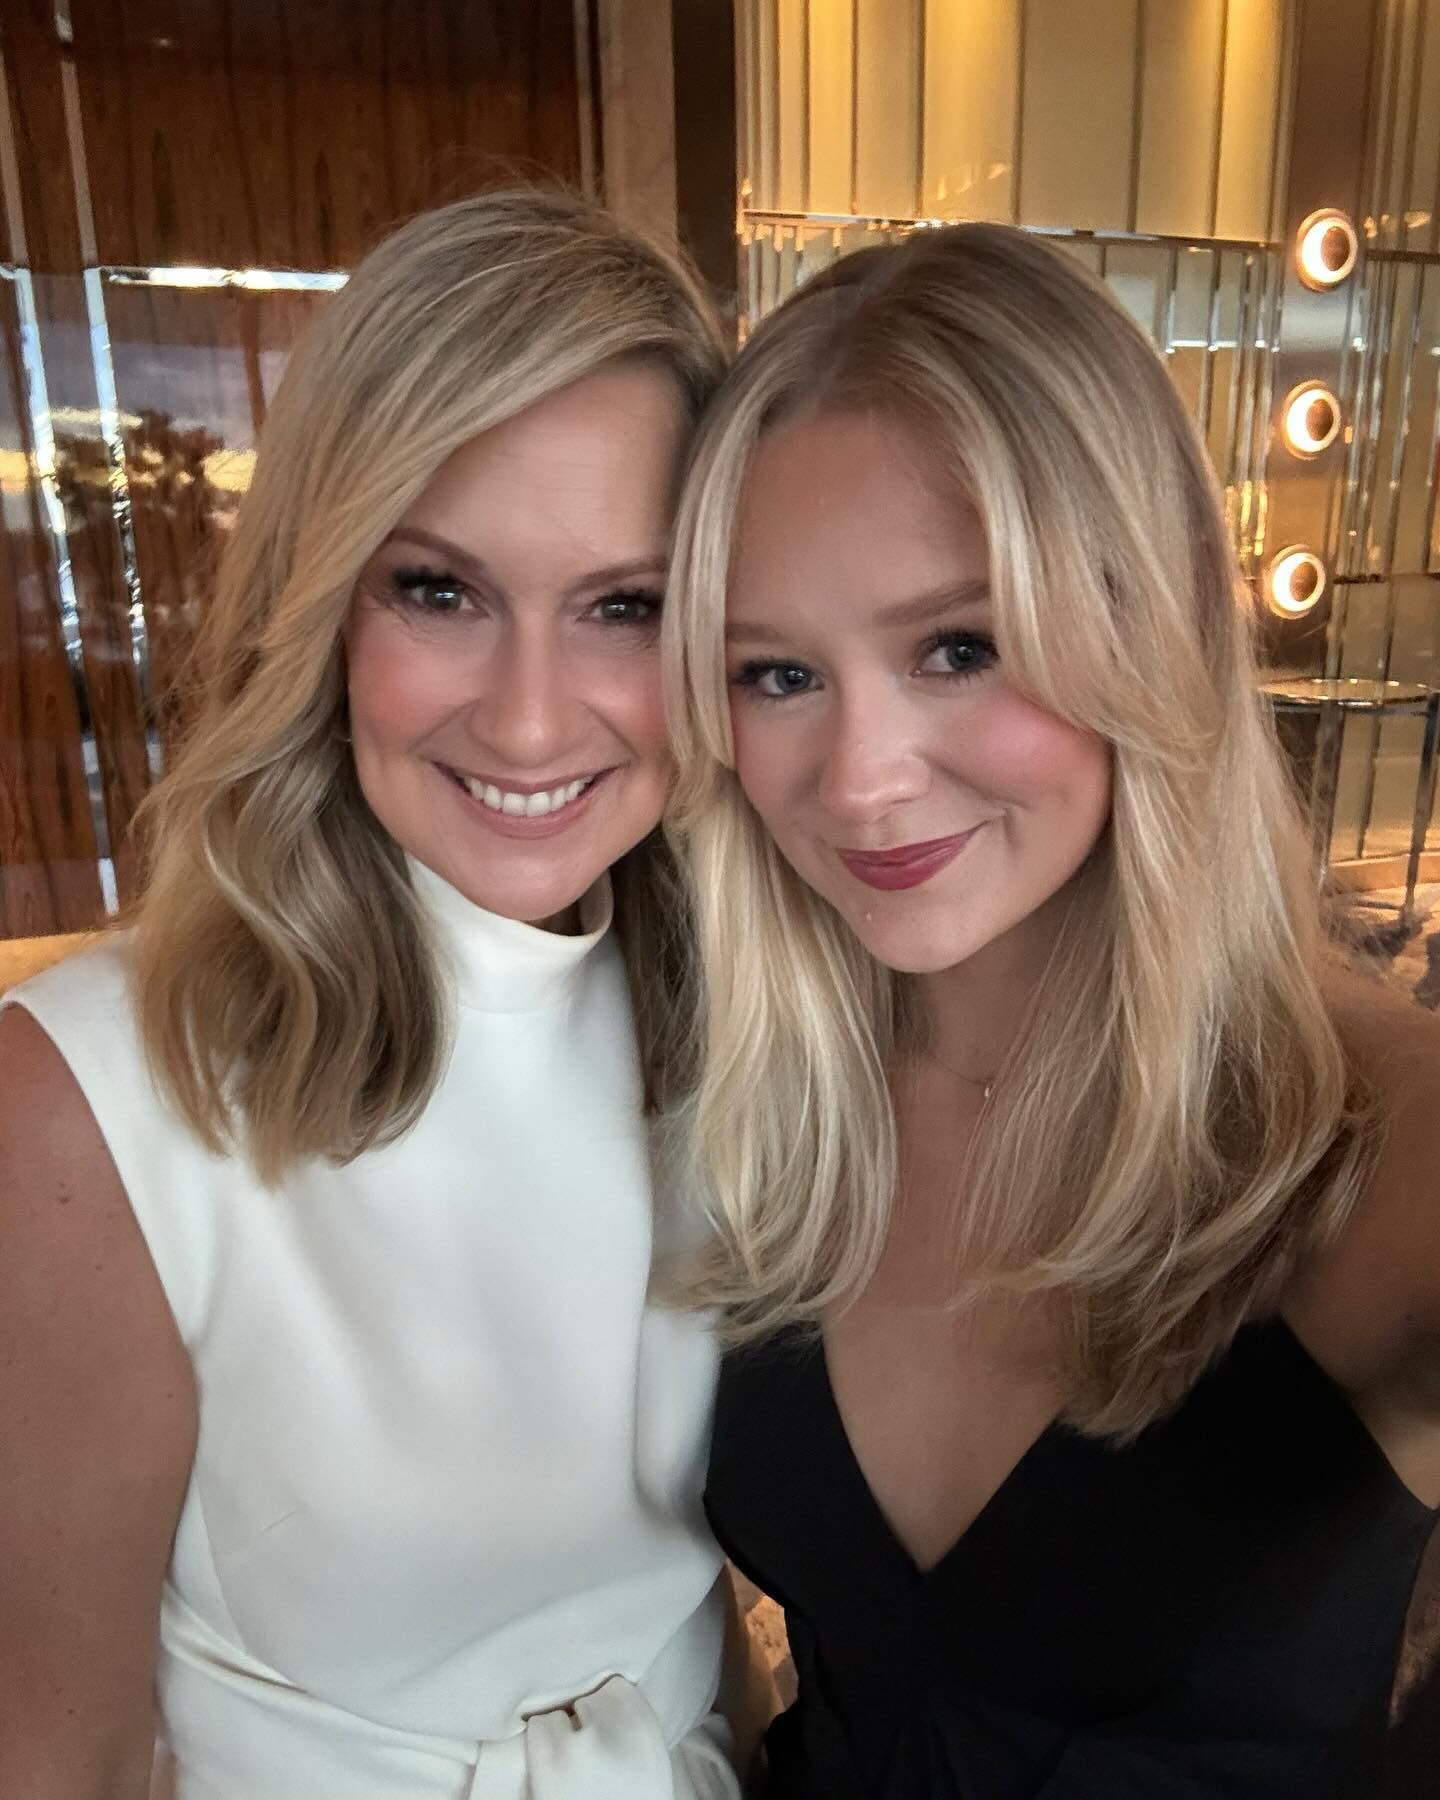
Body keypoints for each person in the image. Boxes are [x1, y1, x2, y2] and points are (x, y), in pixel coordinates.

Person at [661, 223, 1440, 1798]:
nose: (861, 782)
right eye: (777, 675)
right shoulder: (754, 1097)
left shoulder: (1375, 1139)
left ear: (1149, 624)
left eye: (962, 646)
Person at [0, 189, 742, 1800]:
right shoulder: (90, 1099)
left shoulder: (755, 1027)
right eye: (440, 590)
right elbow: (55, 1752)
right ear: (324, 599)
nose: (531, 722)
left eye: (624, 606)